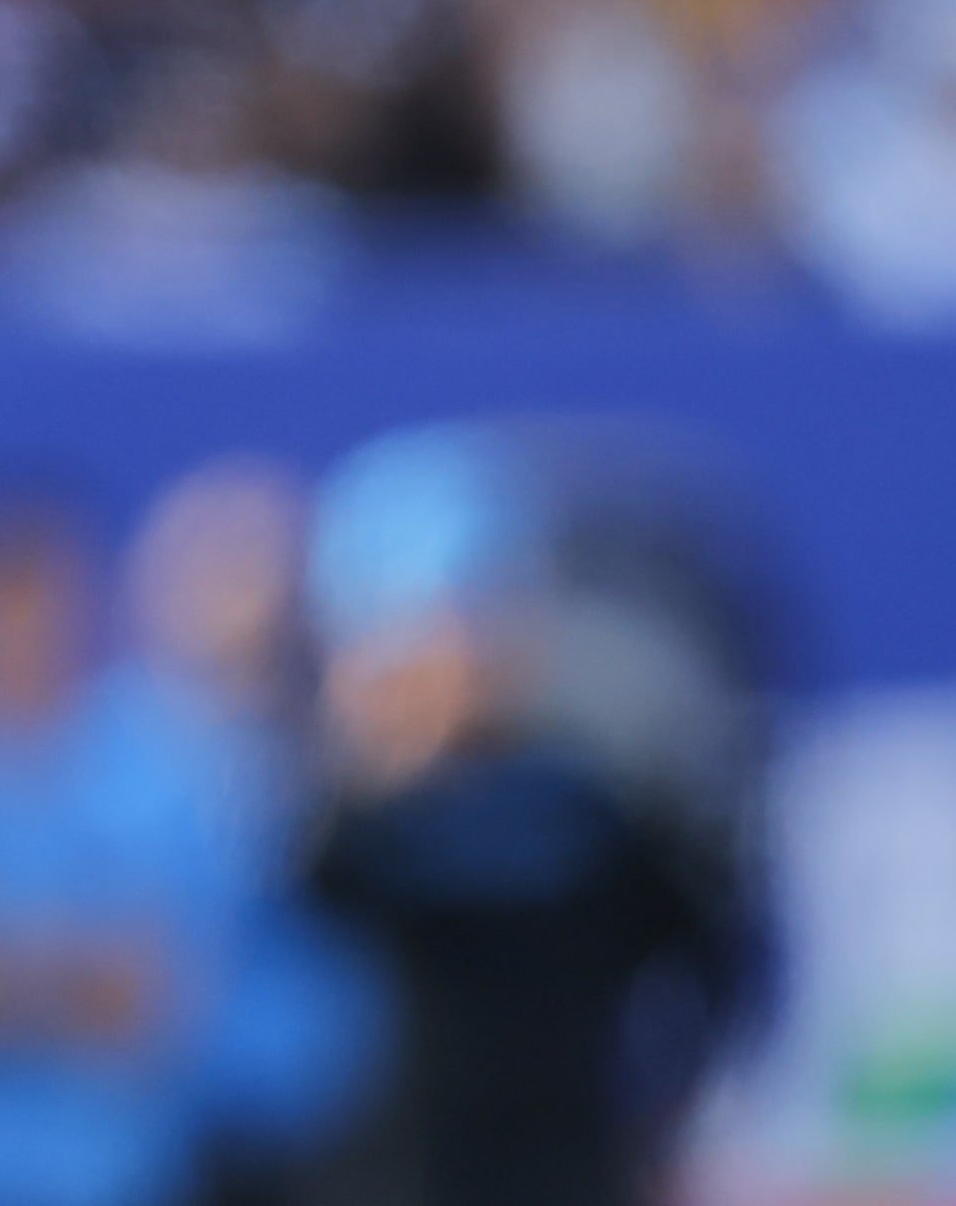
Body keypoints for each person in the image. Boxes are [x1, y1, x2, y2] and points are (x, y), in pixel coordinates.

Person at [287, 431, 760, 1206]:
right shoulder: (331, 832)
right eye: (426, 629)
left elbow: (713, 956)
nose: (461, 655)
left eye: (484, 614)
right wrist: (379, 770)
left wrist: (659, 1103)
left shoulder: (587, 809)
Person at [0, 485, 234, 1206]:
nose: (17, 633)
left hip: (118, 1175)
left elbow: (147, 1000)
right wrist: (68, 973)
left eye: (37, 606)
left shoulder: (154, 768)